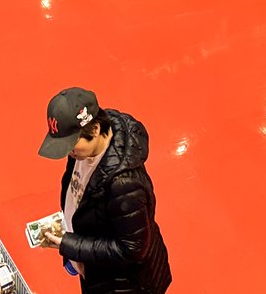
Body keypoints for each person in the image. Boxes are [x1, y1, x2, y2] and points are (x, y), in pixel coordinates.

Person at [38, 87, 172, 294]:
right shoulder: (83, 151)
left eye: (71, 145)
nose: (69, 153)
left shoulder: (124, 185)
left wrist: (70, 244)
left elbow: (132, 249)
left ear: (94, 130)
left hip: (125, 284)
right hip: (95, 269)